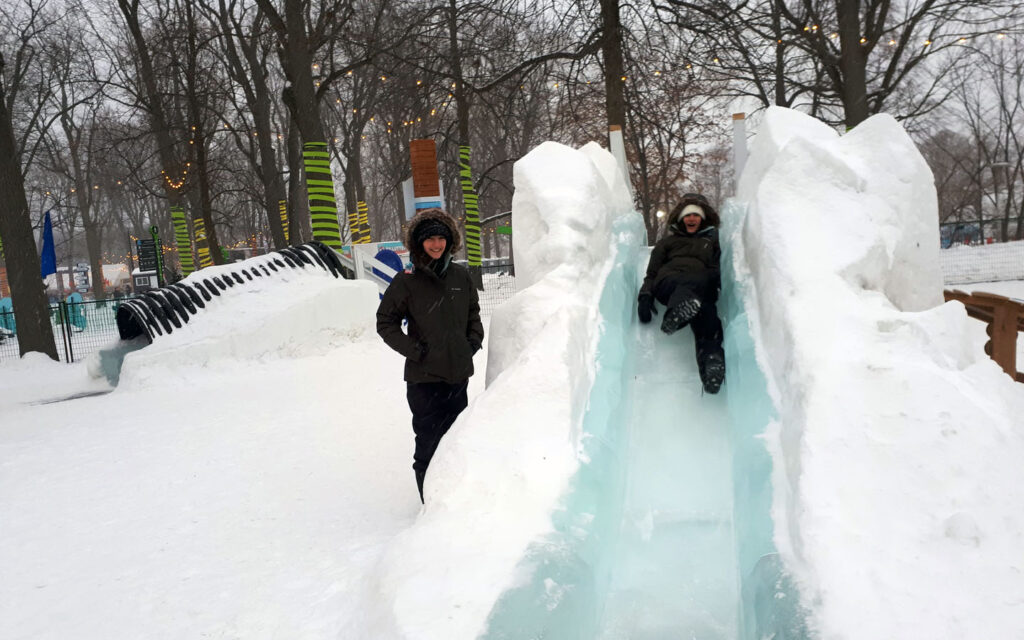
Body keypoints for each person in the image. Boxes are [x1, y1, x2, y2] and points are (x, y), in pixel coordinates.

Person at [377, 208, 485, 502]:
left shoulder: (461, 276)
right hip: (423, 379)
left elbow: (473, 316)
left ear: (450, 241)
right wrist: (417, 352)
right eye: (430, 239)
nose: (436, 244)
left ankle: (453, 499)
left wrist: (471, 345)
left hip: (456, 375)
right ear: (419, 244)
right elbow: (385, 322)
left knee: (455, 439)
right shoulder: (406, 280)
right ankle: (431, 506)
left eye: (441, 238)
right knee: (428, 443)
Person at [637, 193, 726, 394]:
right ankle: (674, 315)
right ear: (681, 218)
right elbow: (652, 272)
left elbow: (716, 269)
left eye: (696, 215)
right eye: (688, 215)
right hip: (669, 282)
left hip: (701, 290)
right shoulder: (667, 243)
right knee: (690, 281)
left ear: (703, 218)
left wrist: (714, 284)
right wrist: (645, 295)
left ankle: (711, 364)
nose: (691, 218)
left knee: (709, 318)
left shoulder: (712, 243)